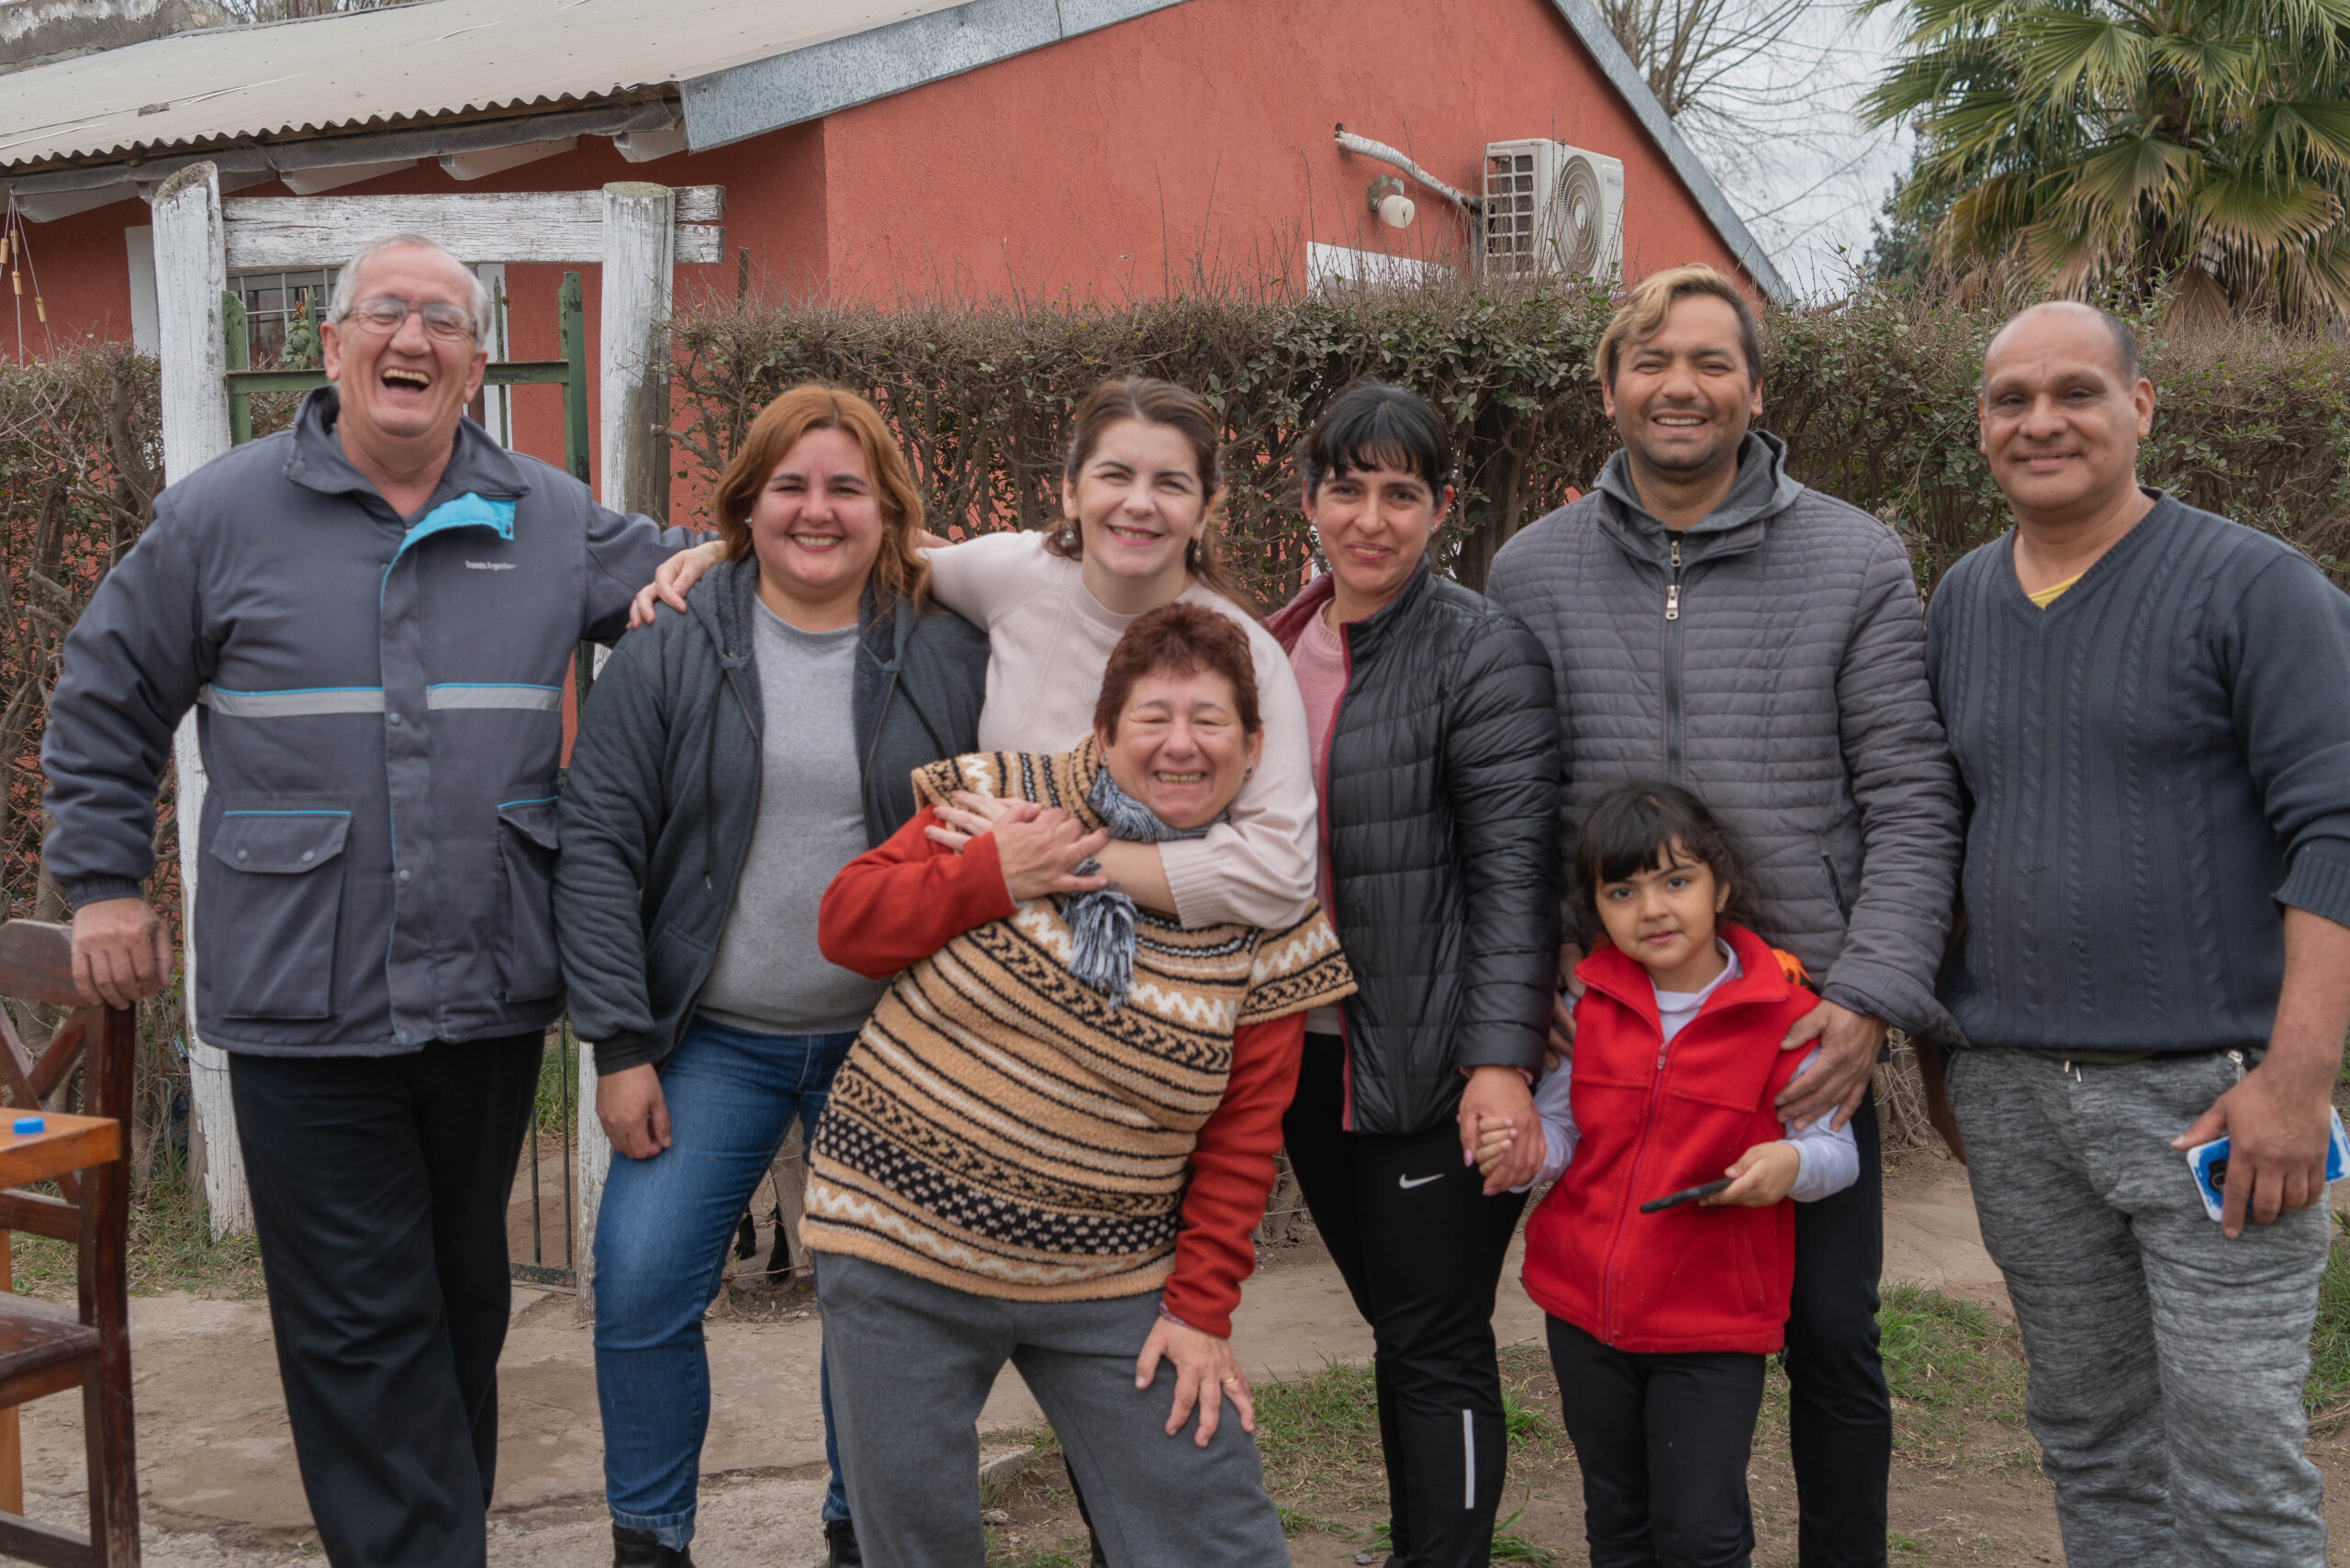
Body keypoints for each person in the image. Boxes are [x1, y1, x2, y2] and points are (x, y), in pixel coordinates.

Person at [40, 233, 705, 1568]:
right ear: (331, 346)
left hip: (487, 989)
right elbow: (104, 698)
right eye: (386, 316)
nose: (415, 341)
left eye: (446, 323)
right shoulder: (221, 516)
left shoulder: (551, 514)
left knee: (460, 1310)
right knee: (358, 1327)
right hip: (303, 999)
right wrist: (104, 883)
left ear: (474, 366)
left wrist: (709, 567)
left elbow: (713, 580)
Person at [1483, 263, 1960, 1568]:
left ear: (1755, 387)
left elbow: (1913, 800)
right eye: (1650, 359)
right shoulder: (1532, 570)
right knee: (1628, 1326)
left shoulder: (1855, 557)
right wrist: (1536, 1010)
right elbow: (1519, 820)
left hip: (1798, 1034)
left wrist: (1867, 1002)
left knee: (1832, 1337)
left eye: (1709, 362)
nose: (1678, 385)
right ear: (1610, 386)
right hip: (1624, 1035)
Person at [1919, 300, 2350, 1568]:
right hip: (2016, 1103)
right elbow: (1946, 826)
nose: (2040, 421)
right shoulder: (1959, 600)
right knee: (2094, 1444)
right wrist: (1953, 1062)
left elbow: (2337, 828)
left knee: (2234, 1461)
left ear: (2141, 406)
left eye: (2075, 392)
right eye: (2010, 399)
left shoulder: (2257, 588)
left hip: (2216, 1106)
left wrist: (2298, 1078)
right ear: (1984, 426)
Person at [803, 602, 1356, 1568]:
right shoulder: (1001, 799)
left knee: (1214, 1526)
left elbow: (1242, 1136)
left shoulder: (1269, 912)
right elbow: (847, 926)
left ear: (1255, 742)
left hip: (1110, 1276)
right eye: (1151, 717)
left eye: (1210, 720)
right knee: (919, 1543)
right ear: (1103, 732)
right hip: (899, 1240)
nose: (1179, 744)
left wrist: (1199, 1313)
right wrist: (992, 871)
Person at [554, 386, 989, 1568]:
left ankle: (864, 1533)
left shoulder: (949, 644)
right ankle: (650, 1541)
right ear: (744, 504)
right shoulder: (671, 646)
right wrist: (620, 1044)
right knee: (640, 1280)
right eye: (790, 485)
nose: (817, 509)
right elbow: (595, 844)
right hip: (712, 1037)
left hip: (897, 1038)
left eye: (847, 487)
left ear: (886, 507)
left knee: (880, 1305)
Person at [641, 375, 1317, 931]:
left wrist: (1061, 859)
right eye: (1116, 475)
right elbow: (872, 551)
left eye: (1170, 484)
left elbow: (1281, 878)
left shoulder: (1246, 657)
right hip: (999, 972)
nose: (1139, 504)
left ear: (1203, 511)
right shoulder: (1014, 575)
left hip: (1166, 989)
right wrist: (721, 551)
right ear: (1071, 492)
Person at [1262, 379, 1561, 1568]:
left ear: (1443, 508)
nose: (1371, 519)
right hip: (1308, 1061)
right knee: (1401, 1331)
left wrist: (1500, 1066)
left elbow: (1516, 878)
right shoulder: (1274, 643)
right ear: (1311, 498)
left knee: (1434, 1343)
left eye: (1401, 494)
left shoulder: (1482, 652)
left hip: (1435, 1071)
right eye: (1348, 489)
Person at [1475, 782, 1857, 1568]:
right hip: (1585, 1315)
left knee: (1699, 1531)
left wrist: (1789, 1163)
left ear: (1721, 885)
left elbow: (1836, 1151)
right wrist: (1520, 1152)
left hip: (1712, 1326)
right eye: (1623, 891)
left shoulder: (1786, 1016)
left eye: (1675, 881)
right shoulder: (1589, 1008)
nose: (1652, 909)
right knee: (1616, 1519)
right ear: (1596, 908)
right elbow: (1560, 1132)